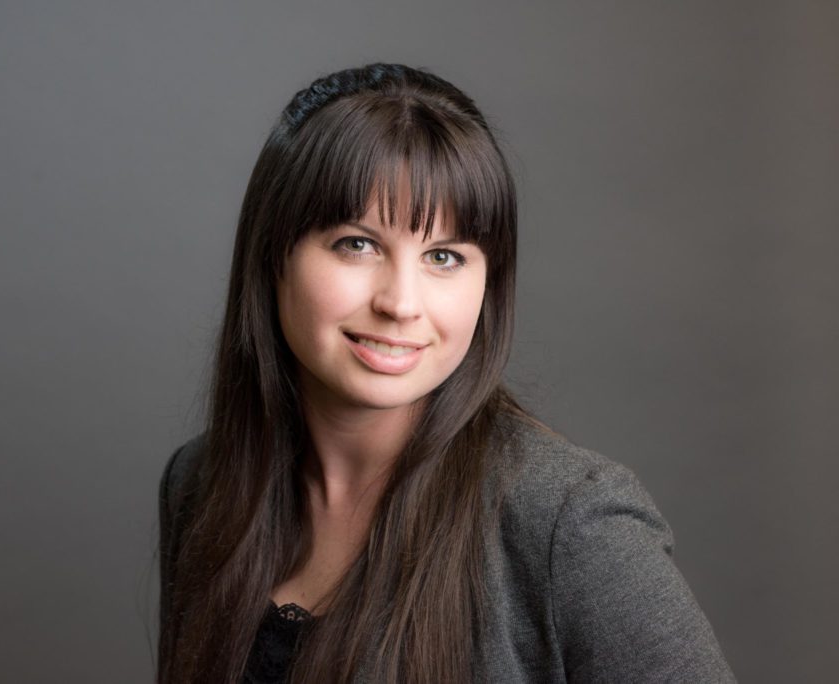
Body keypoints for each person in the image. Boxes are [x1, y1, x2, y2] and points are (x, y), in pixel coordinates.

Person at [156, 63, 735, 683]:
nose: (401, 302)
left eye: (444, 257)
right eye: (358, 243)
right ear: (274, 255)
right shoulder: (200, 485)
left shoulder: (568, 521)